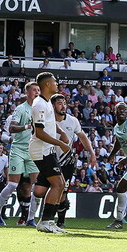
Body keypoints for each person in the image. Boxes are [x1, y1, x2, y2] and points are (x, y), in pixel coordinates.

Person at [29, 73, 73, 234]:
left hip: (47, 149)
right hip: (41, 150)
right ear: (47, 85)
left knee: (60, 184)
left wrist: (61, 132)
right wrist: (61, 143)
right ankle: (45, 221)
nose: (57, 84)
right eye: (55, 81)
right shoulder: (39, 104)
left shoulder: (46, 103)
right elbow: (39, 133)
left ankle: (49, 221)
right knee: (58, 184)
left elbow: (49, 123)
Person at [0, 84, 40, 226]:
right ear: (27, 92)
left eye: (38, 91)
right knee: (12, 184)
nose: (37, 93)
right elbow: (10, 130)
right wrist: (26, 127)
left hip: (33, 150)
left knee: (37, 187)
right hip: (18, 149)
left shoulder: (40, 110)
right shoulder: (20, 109)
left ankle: (30, 218)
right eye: (34, 90)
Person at [51, 93, 96, 228]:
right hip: (49, 158)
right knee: (43, 190)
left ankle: (60, 221)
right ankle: (37, 218)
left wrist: (92, 153)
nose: (63, 106)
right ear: (53, 106)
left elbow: (82, 137)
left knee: (62, 191)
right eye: (60, 103)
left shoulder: (72, 120)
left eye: (64, 103)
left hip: (66, 161)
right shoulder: (47, 120)